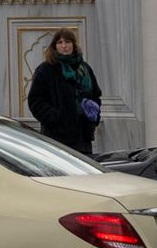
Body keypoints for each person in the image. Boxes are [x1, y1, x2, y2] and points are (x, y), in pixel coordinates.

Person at [27, 28, 103, 156]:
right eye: (60, 42)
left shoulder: (85, 68)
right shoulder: (45, 69)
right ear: (54, 46)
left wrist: (93, 117)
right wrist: (57, 118)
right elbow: (35, 101)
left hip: (83, 138)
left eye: (67, 42)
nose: (64, 46)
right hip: (57, 139)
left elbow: (96, 96)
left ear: (73, 45)